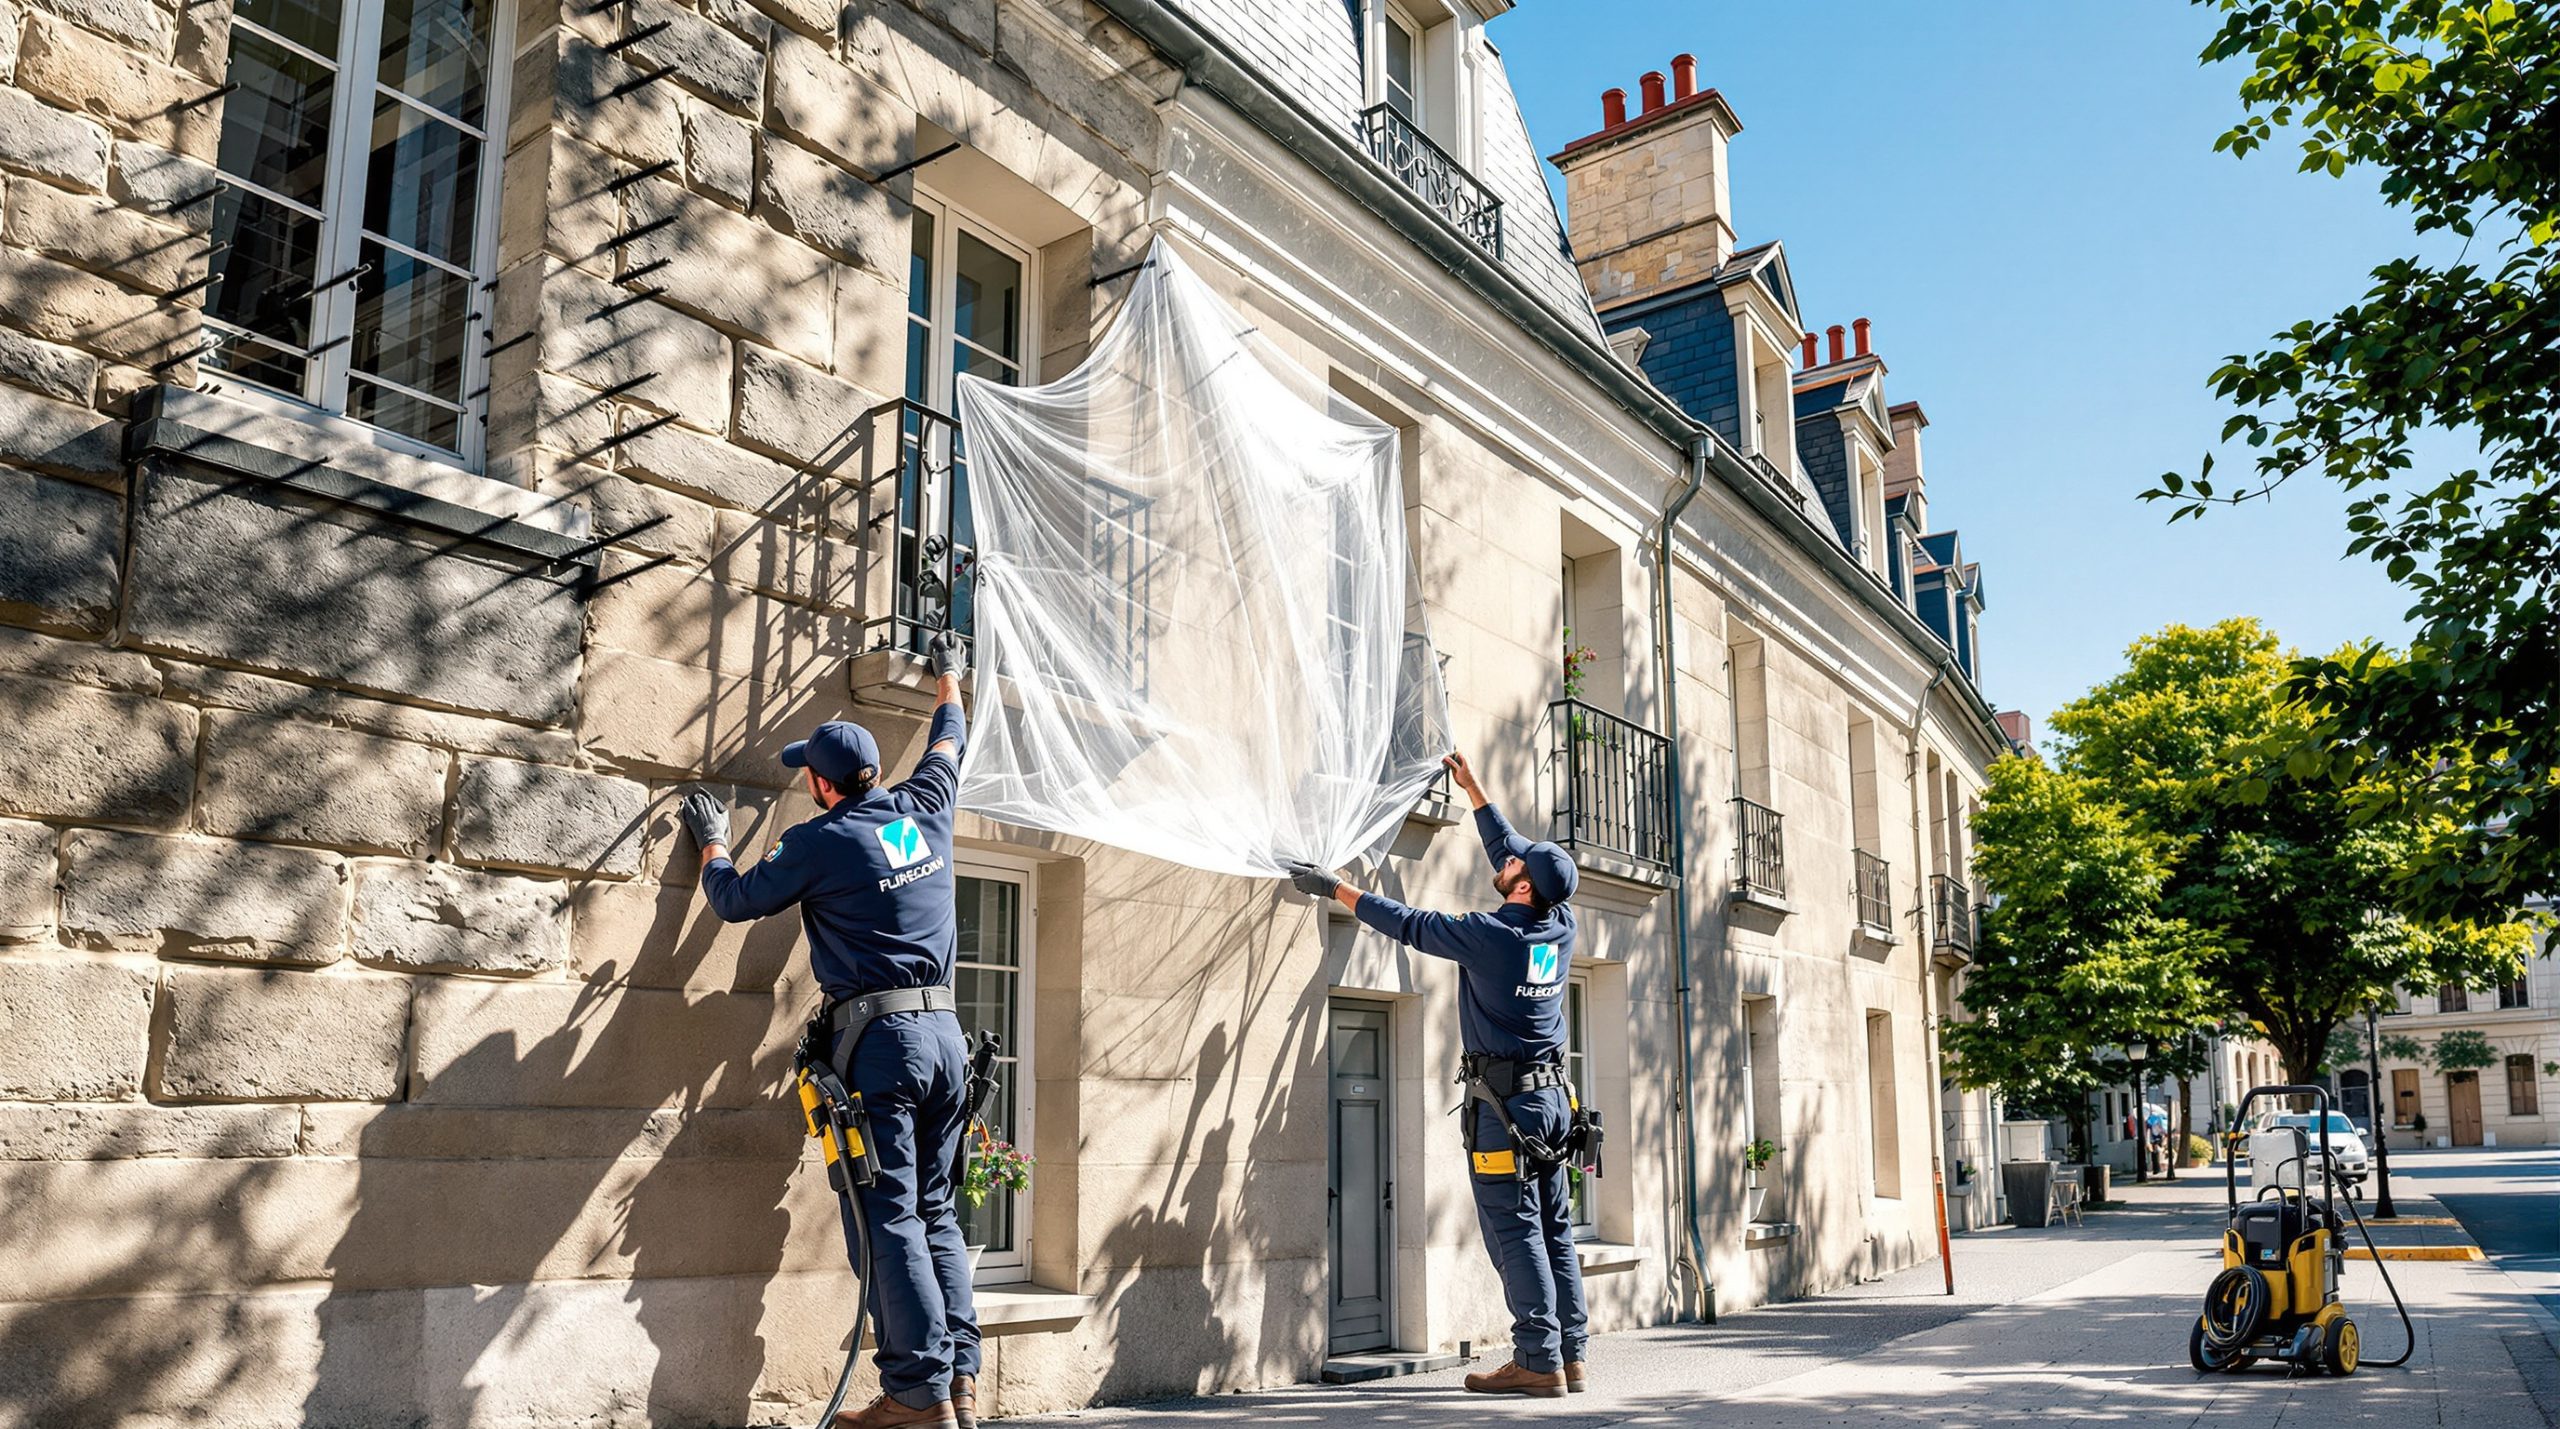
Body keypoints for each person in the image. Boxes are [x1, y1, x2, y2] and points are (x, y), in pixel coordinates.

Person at [680, 629, 981, 1429]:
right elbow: (952, 733)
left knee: (891, 1215)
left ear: (821, 783)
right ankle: (959, 1385)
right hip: (948, 1040)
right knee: (938, 1209)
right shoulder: (925, 808)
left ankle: (916, 1395)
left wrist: (712, 841)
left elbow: (738, 900)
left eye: (806, 775)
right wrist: (948, 674)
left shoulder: (823, 840)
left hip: (885, 1046)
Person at [1282, 751, 1589, 1398]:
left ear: (1523, 885)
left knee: (1517, 1229)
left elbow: (1409, 923)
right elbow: (1508, 850)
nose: (1504, 860)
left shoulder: (1492, 935)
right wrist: (1474, 787)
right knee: (1555, 1224)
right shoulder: (1560, 923)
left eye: (1514, 864)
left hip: (1505, 1113)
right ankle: (1571, 1351)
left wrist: (1334, 886)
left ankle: (1537, 1357)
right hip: (1553, 1106)